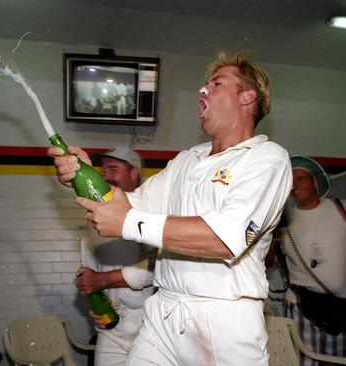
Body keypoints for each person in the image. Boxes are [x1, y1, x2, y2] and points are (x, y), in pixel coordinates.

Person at [49, 50, 292, 365]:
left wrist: (128, 221)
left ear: (247, 97)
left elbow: (226, 238)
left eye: (217, 84)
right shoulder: (186, 161)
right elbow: (125, 205)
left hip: (224, 321)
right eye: (205, 84)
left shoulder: (266, 158)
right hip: (163, 312)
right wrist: (82, 175)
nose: (202, 90)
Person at [266, 156, 346, 365]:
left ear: (316, 182)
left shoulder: (342, 209)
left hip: (340, 307)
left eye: (301, 179)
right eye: (290, 181)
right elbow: (270, 262)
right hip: (301, 308)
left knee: (342, 361)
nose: (294, 185)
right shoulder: (283, 219)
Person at [75, 147, 156, 366]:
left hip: (148, 323)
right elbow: (89, 267)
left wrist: (100, 279)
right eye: (103, 169)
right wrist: (91, 296)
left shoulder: (151, 213)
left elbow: (153, 271)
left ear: (134, 173)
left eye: (113, 169)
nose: (105, 175)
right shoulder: (96, 218)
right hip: (113, 324)